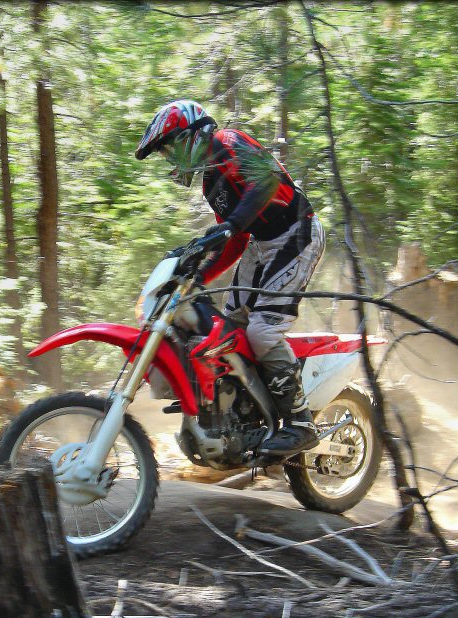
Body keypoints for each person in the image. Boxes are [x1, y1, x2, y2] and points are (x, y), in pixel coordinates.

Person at [135, 99, 326, 457]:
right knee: (228, 330)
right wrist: (199, 275)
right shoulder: (211, 184)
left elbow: (266, 182)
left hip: (296, 233)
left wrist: (231, 226)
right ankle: (247, 414)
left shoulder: (229, 140)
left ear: (190, 135)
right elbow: (235, 238)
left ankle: (301, 423)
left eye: (169, 147)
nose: (170, 158)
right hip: (260, 243)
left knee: (262, 331)